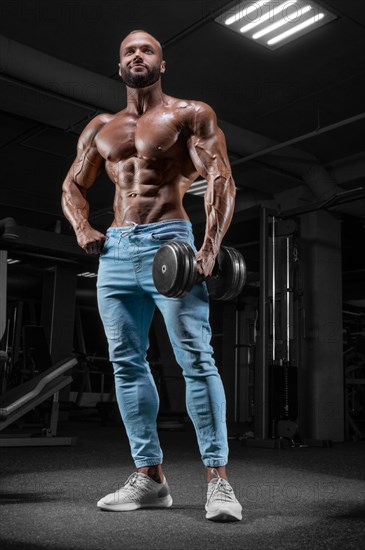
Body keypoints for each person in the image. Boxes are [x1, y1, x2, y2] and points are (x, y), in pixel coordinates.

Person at [62, 30, 242, 522]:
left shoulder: (190, 114)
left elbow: (221, 179)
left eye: (146, 50)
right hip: (116, 251)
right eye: (128, 51)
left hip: (172, 243)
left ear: (162, 64)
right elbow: (73, 184)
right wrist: (82, 225)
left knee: (195, 360)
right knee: (125, 362)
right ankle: (150, 478)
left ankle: (218, 482)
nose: (136, 55)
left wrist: (208, 247)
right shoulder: (102, 126)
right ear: (119, 66)